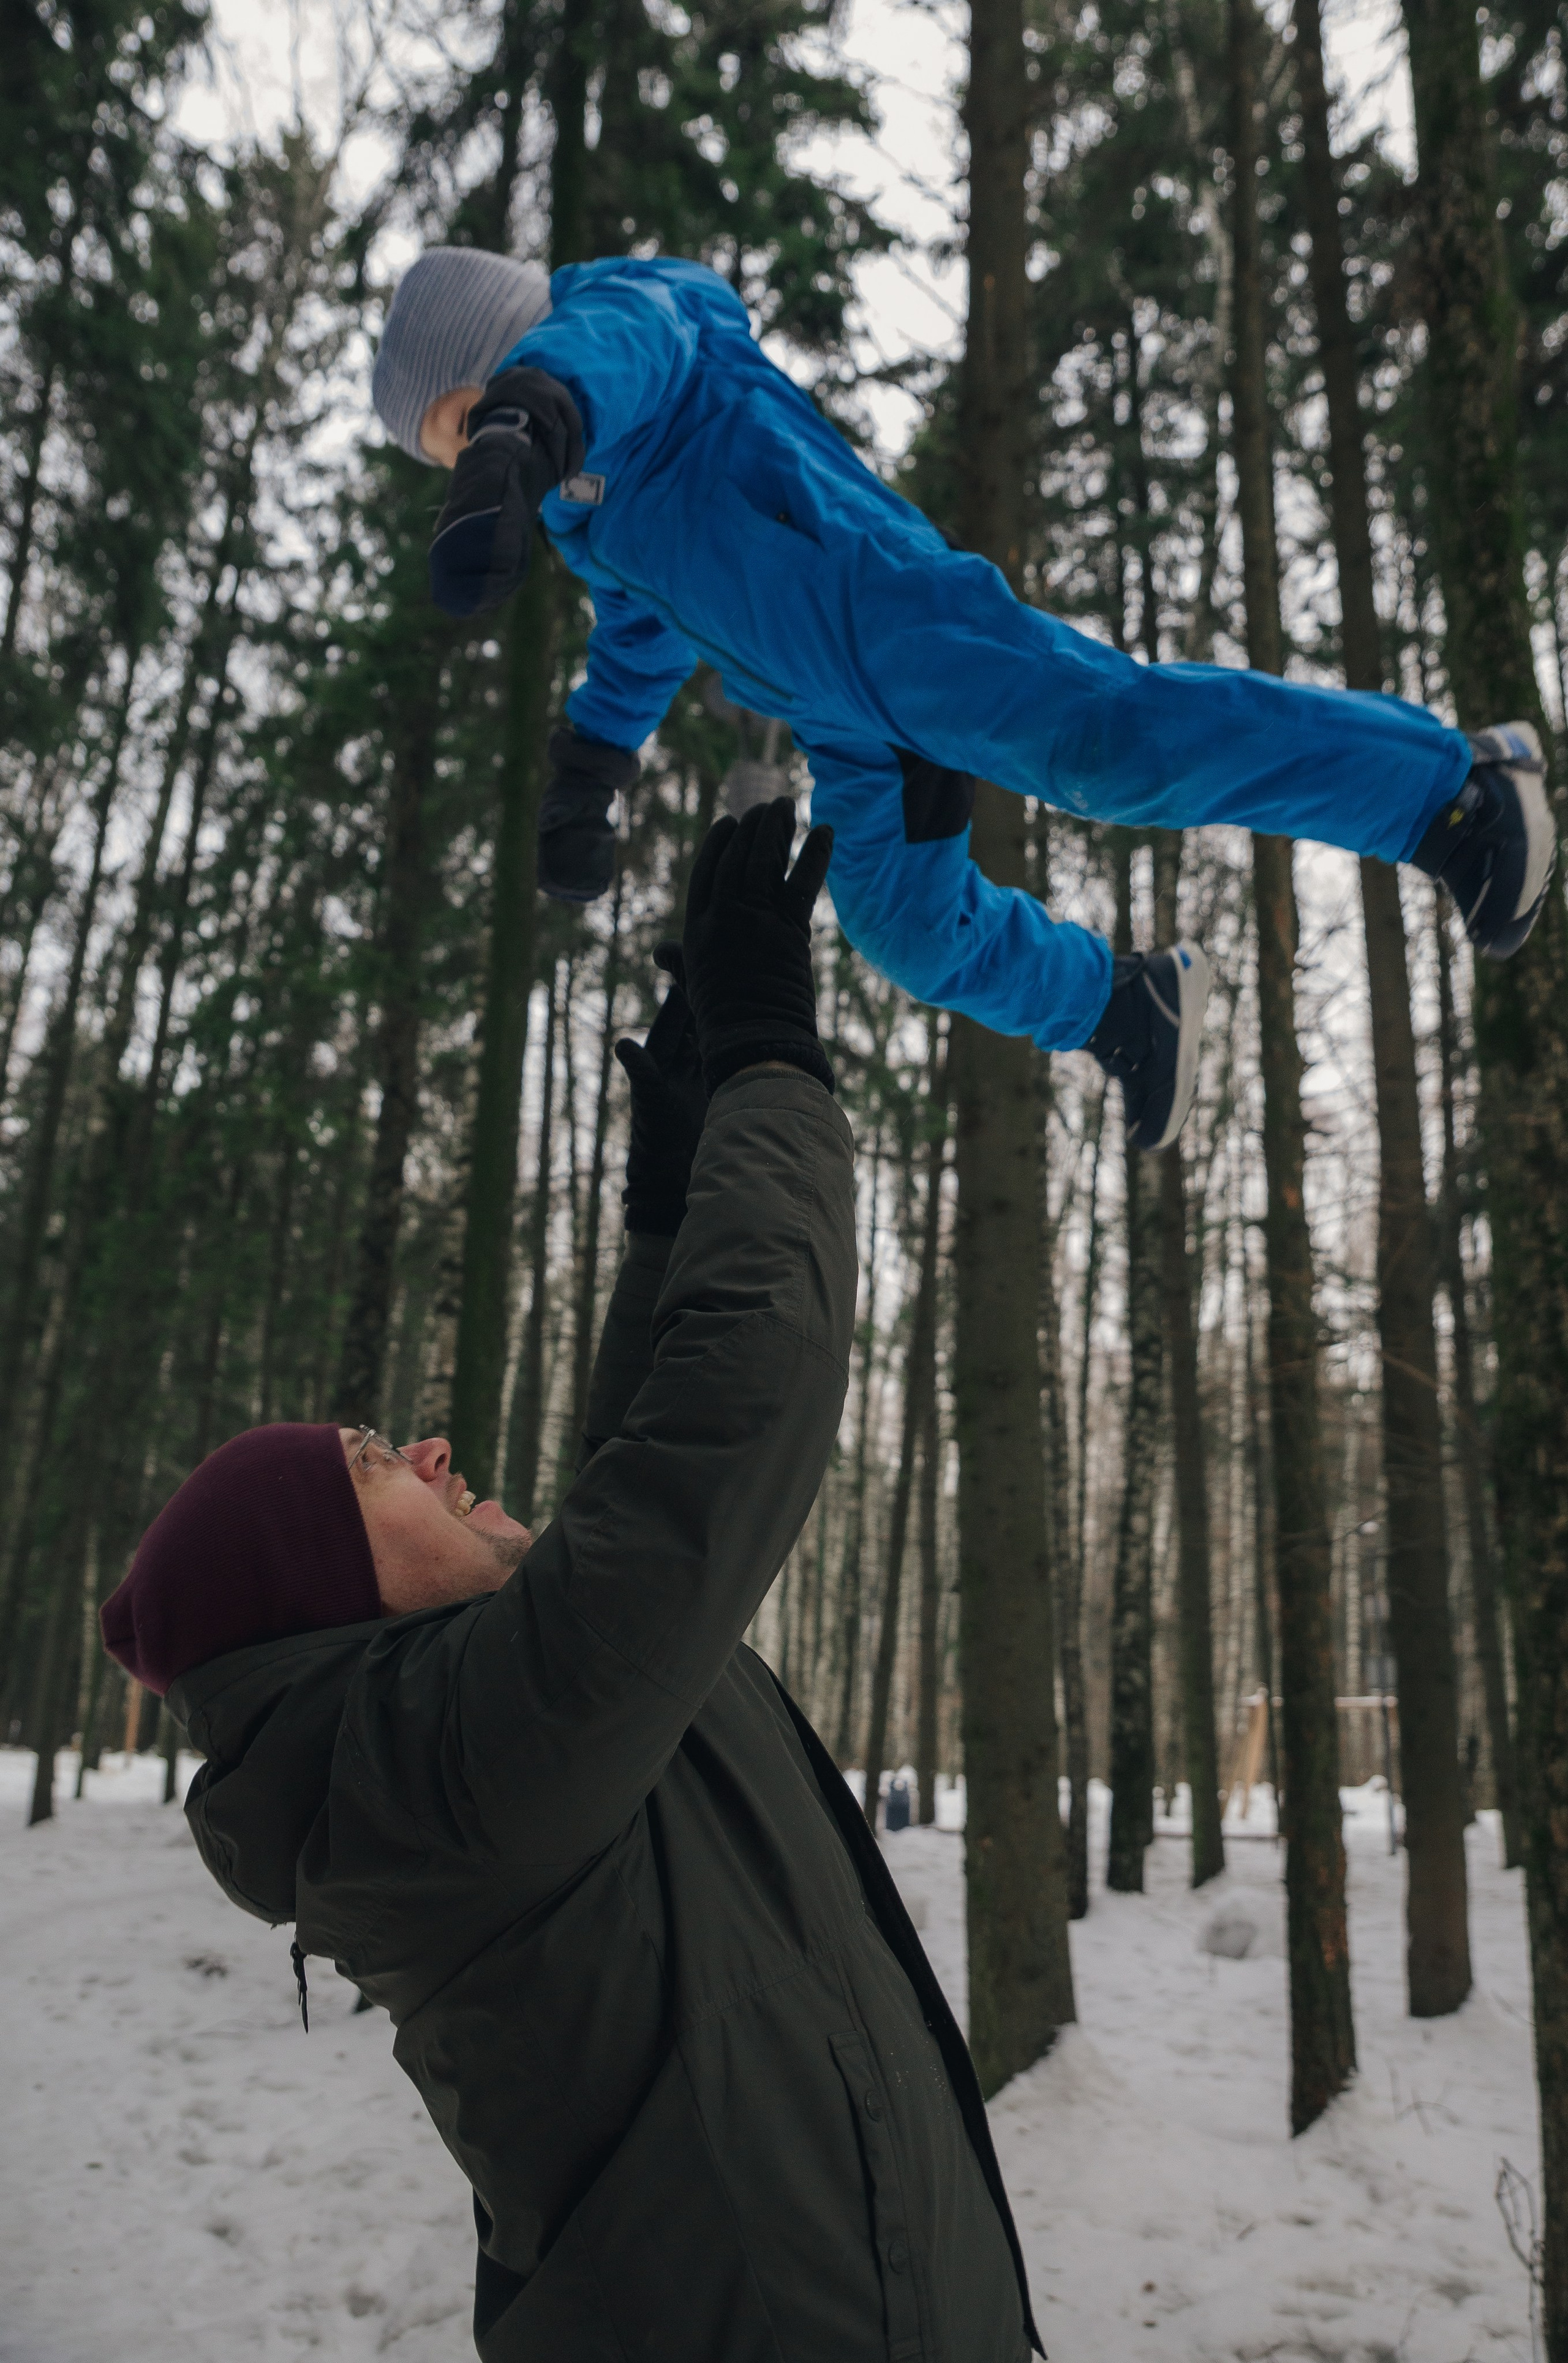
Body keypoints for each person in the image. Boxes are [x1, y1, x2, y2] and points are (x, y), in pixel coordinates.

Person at [100, 800, 1042, 2363]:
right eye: (370, 1462)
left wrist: (668, 1203)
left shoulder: (448, 1747)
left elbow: (620, 1526)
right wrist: (765, 1062)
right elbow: (719, 1430)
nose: (430, 1447)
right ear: (323, 1597)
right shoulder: (436, 1770)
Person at [369, 244, 1556, 1152]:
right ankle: (1120, 1005)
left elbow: (609, 359)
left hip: (889, 611)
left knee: (1107, 746)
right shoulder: (590, 508)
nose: (476, 461)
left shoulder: (635, 325)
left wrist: (521, 424)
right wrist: (589, 770)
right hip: (839, 712)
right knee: (895, 923)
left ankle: (1449, 795)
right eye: (455, 455)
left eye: (462, 428)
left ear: (506, 351)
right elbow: (636, 631)